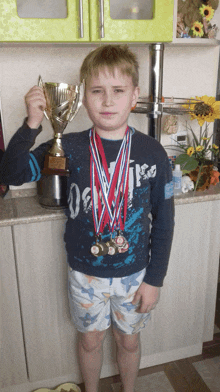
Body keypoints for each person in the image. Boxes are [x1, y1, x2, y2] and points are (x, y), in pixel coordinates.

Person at [0, 44, 174, 392]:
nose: (107, 101)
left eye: (118, 91)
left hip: (135, 274)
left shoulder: (152, 152)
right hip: (84, 273)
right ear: (82, 97)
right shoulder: (68, 146)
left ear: (134, 95)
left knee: (128, 342)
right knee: (90, 342)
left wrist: (154, 279)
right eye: (97, 91)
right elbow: (12, 172)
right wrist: (32, 124)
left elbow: (165, 220)